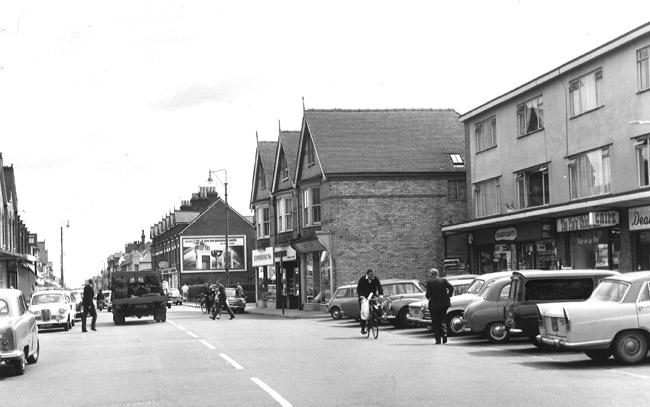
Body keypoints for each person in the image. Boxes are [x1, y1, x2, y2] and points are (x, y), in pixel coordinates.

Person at [425, 268, 454, 344]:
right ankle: (444, 337)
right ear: (438, 274)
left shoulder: (429, 282)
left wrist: (430, 296)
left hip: (434, 305)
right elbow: (451, 288)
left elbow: (428, 295)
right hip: (443, 304)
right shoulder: (443, 280)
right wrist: (448, 295)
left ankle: (438, 339)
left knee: (435, 322)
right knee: (443, 320)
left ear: (431, 275)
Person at [356, 269, 383, 335]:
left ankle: (374, 319)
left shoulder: (375, 279)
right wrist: (360, 296)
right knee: (364, 312)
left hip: (371, 296)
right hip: (363, 297)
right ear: (367, 274)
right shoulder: (362, 279)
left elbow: (379, 287)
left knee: (377, 307)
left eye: (373, 275)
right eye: (370, 275)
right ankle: (363, 328)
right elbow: (359, 289)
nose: (372, 276)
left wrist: (381, 294)